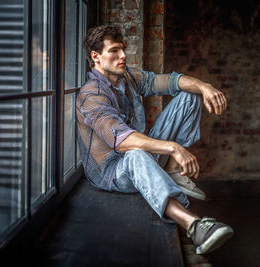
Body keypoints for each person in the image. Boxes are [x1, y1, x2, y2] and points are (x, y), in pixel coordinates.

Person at [77, 25, 233, 255]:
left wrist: (205, 86)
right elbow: (121, 140)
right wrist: (173, 147)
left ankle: (171, 171)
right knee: (135, 154)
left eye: (123, 49)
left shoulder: (127, 78)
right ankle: (196, 226)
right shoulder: (91, 96)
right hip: (112, 172)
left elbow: (171, 81)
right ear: (96, 57)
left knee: (189, 95)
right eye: (114, 51)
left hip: (139, 154)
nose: (123, 56)